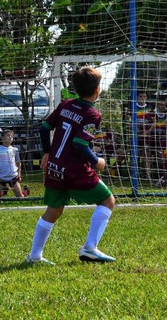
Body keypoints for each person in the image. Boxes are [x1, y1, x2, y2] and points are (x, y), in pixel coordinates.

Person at [26, 67, 116, 265]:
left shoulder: (66, 104)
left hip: (55, 166)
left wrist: (47, 152)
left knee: (54, 210)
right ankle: (90, 248)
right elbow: (79, 143)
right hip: (75, 169)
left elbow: (44, 128)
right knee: (108, 200)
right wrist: (97, 161)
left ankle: (34, 256)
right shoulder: (92, 114)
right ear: (97, 90)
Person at [0, 129, 28, 198]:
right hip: (1, 177)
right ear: (2, 137)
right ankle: (4, 191)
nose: (10, 137)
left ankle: (26, 192)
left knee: (20, 197)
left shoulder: (15, 150)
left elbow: (18, 163)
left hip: (13, 176)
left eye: (12, 136)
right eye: (8, 135)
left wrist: (19, 174)